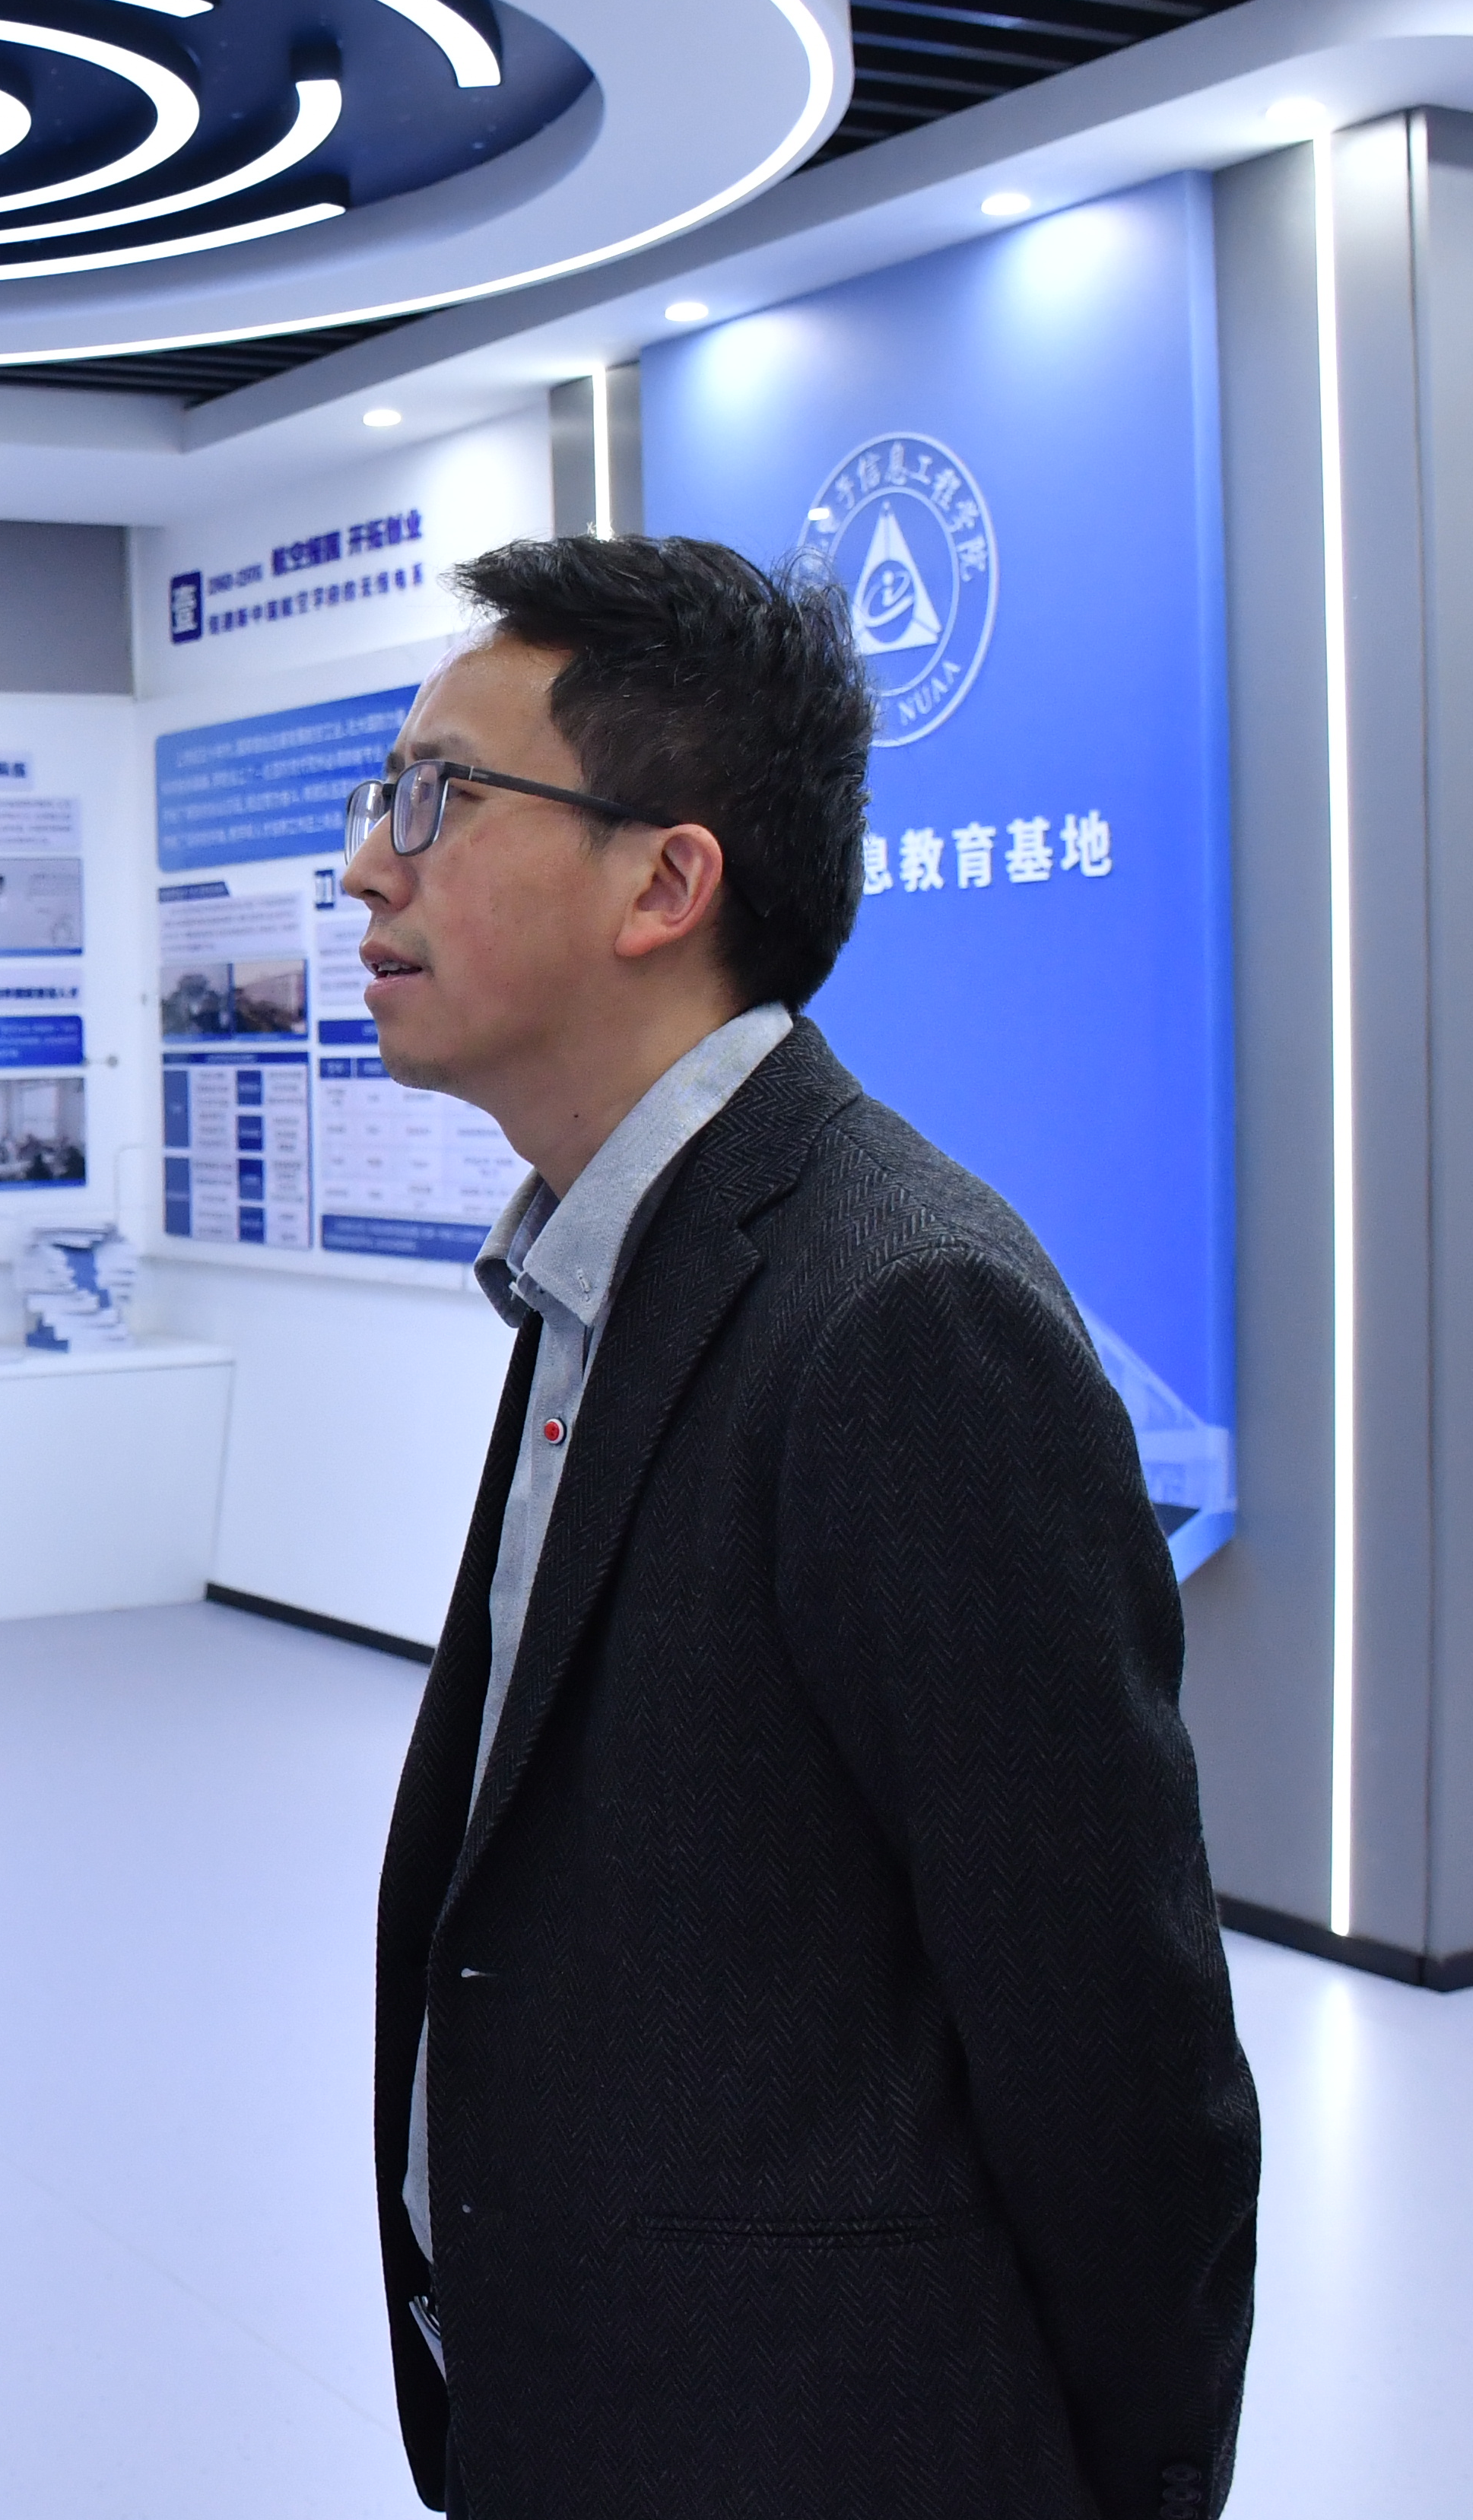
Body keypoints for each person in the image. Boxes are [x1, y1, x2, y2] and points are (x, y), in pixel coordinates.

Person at [343, 535, 1259, 2519]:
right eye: (378, 795)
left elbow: (1115, 2048)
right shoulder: (604, 1262)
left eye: (438, 799)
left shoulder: (902, 1316)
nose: (365, 867)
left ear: (664, 884)